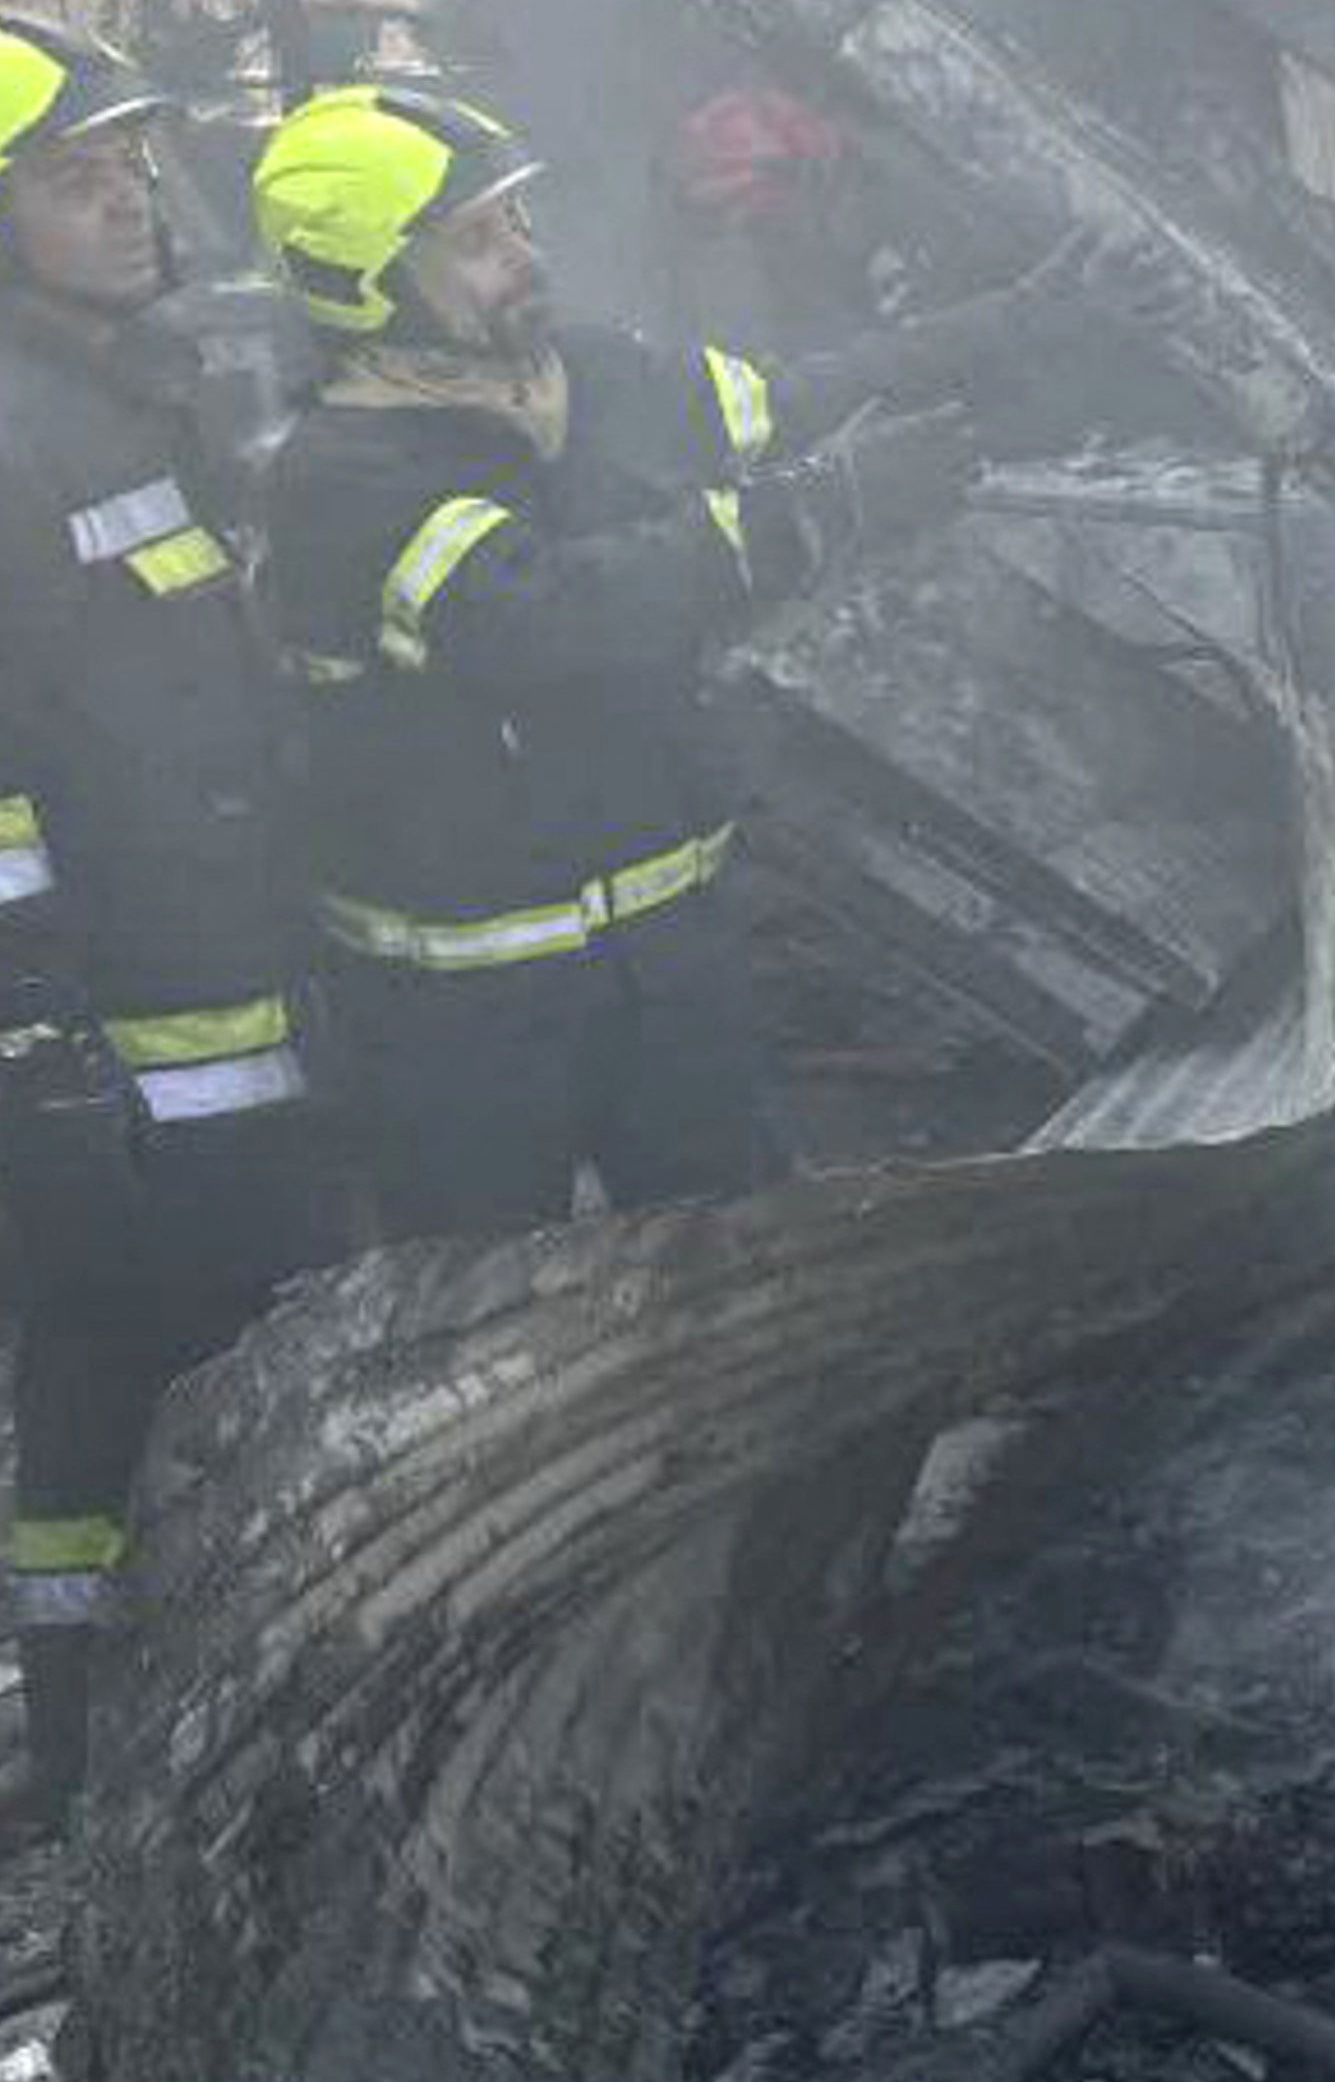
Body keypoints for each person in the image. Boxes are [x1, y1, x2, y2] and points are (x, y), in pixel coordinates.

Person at [244, 78, 1054, 1237]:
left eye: (518, 222)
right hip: (466, 1007)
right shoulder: (341, 476)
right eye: (474, 243)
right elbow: (546, 615)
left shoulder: (590, 373)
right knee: (480, 1315)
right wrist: (814, 513)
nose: (522, 257)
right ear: (357, 280)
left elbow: (789, 400)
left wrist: (1017, 323)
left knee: (736, 1270)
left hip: (670, 965)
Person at [0, 2, 330, 1789]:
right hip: (121, 1024)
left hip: (200, 970)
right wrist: (39, 1047)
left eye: (128, 164)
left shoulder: (102, 386)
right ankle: (101, 1751)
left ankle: (216, 1710)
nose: (129, 203)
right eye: (71, 177)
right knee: (114, 1381)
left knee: (206, 1348)